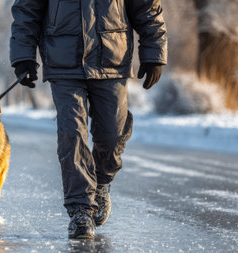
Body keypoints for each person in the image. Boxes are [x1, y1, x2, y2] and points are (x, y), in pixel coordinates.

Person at [10, 0, 167, 239]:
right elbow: (27, 8)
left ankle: (101, 182)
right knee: (72, 133)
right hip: (63, 62)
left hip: (112, 59)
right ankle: (80, 210)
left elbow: (146, 6)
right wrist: (23, 55)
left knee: (113, 134)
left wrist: (154, 52)